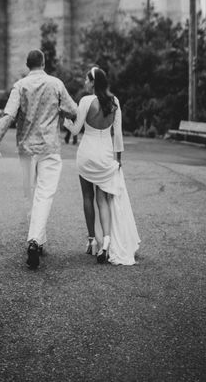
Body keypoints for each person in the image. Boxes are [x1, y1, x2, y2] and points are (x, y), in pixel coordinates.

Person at [0, 49, 77, 270]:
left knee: (34, 194)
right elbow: (73, 110)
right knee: (44, 194)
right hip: (49, 147)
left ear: (28, 65)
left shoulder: (20, 86)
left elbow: (8, 116)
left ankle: (40, 239)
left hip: (27, 149)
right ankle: (35, 241)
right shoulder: (56, 84)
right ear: (44, 63)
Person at [64, 66, 140, 266]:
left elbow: (75, 131)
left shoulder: (86, 101)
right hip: (106, 156)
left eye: (87, 79)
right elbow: (119, 136)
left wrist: (65, 123)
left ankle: (92, 242)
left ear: (93, 82)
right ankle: (106, 240)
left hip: (86, 155)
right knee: (102, 199)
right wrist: (119, 160)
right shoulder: (114, 102)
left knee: (87, 197)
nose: (84, 82)